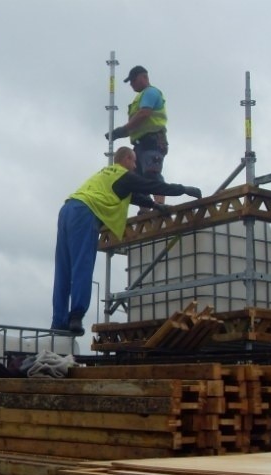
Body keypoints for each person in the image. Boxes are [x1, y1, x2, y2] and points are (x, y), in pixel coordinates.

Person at [52, 146, 201, 336]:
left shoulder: (107, 173)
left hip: (67, 210)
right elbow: (152, 186)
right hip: (85, 213)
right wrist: (183, 190)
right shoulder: (124, 175)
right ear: (126, 159)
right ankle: (76, 317)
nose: (136, 165)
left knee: (63, 268)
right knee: (82, 264)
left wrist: (155, 205)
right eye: (134, 161)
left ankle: (58, 321)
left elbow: (133, 196)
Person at [106, 65, 170, 213]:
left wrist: (124, 129)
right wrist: (119, 133)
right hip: (141, 143)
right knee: (138, 179)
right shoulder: (139, 99)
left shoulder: (150, 93)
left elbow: (144, 114)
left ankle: (158, 205)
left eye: (133, 80)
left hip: (153, 141)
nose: (132, 84)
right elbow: (136, 124)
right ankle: (145, 210)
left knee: (151, 173)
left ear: (144, 77)